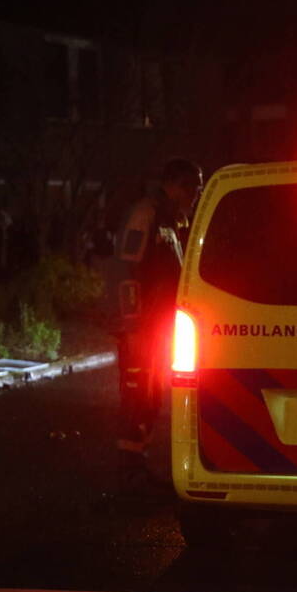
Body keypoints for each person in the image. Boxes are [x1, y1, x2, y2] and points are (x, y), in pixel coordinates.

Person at [112, 158, 203, 496]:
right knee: (137, 395)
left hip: (161, 327)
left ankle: (137, 467)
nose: (195, 194)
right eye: (190, 186)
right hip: (142, 327)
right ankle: (129, 473)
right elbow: (126, 271)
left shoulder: (175, 221)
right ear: (171, 184)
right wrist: (132, 323)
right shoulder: (147, 215)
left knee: (150, 397)